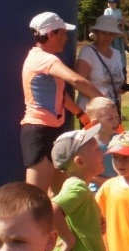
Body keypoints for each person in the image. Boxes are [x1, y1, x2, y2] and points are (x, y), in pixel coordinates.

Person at [21, 12, 102, 193]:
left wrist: (81, 114)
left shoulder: (43, 58)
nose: (66, 38)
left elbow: (60, 95)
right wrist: (104, 101)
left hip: (52, 130)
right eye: (63, 33)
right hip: (39, 132)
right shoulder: (44, 59)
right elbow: (76, 80)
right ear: (51, 34)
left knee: (58, 195)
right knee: (36, 199)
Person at [75, 15, 125, 114]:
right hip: (92, 110)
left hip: (112, 108)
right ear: (96, 33)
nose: (107, 37)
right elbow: (79, 82)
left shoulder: (117, 54)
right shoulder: (88, 52)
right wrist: (98, 98)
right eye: (103, 33)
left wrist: (120, 89)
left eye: (110, 34)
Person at [85, 97, 121, 190]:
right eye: (110, 119)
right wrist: (110, 183)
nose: (116, 121)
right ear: (95, 123)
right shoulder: (88, 144)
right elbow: (87, 173)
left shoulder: (121, 139)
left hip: (120, 188)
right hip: (98, 190)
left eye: (116, 117)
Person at [104, 0, 129, 76]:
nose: (111, 4)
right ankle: (126, 45)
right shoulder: (107, 10)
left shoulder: (118, 11)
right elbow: (107, 20)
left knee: (123, 33)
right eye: (109, 2)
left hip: (122, 66)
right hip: (110, 68)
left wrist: (124, 23)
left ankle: (126, 45)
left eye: (113, 3)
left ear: (116, 4)